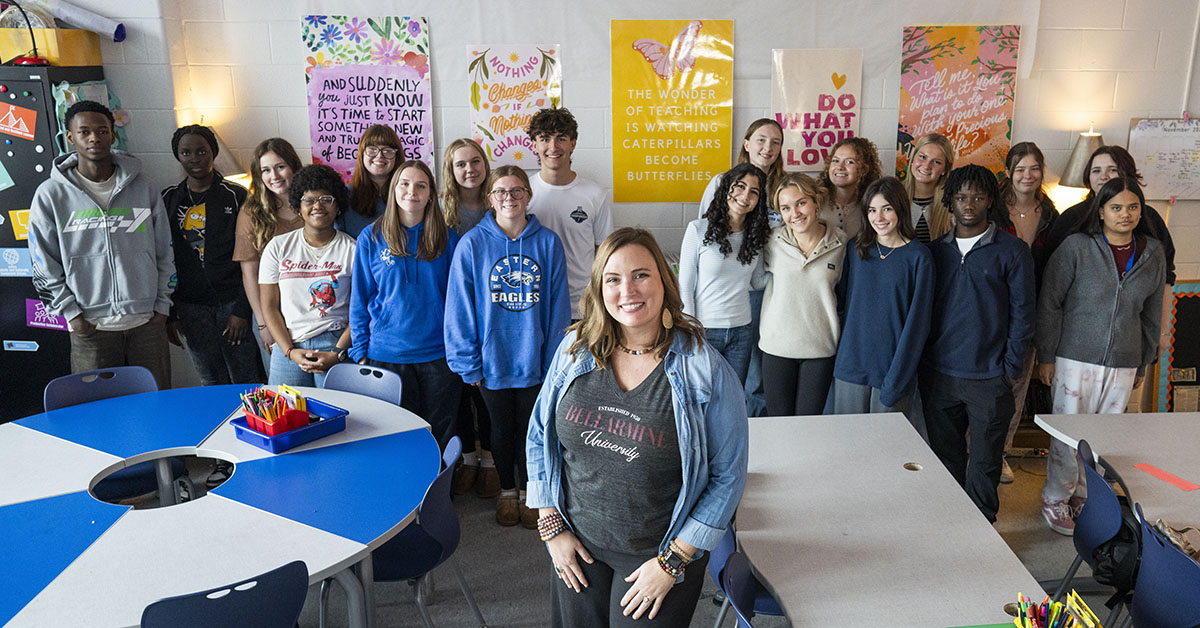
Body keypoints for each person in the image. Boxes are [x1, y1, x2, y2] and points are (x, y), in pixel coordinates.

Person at [526, 227, 748, 628]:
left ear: (665, 280)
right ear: (599, 289)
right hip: (578, 544)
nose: (628, 290)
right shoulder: (575, 348)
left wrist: (673, 562)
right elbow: (540, 435)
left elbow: (727, 475)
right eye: (613, 279)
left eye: (641, 275)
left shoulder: (704, 368)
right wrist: (551, 527)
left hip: (659, 554)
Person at [1035, 177, 1165, 535]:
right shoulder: (1077, 247)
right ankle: (1055, 496)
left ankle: (1085, 494)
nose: (1126, 215)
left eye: (1133, 207)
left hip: (1124, 361)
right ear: (1102, 212)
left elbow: (1152, 312)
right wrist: (1046, 354)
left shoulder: (1152, 253)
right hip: (1074, 358)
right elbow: (1050, 301)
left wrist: (1144, 360)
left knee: (1105, 435)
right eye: (1117, 208)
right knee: (1069, 431)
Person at [444, 165, 570, 527]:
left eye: (517, 191)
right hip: (492, 361)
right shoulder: (472, 244)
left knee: (534, 431)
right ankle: (507, 492)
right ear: (490, 198)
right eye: (501, 192)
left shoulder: (547, 243)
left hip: (535, 359)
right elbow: (459, 308)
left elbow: (558, 307)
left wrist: (553, 364)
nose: (509, 199)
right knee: (499, 430)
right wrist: (468, 361)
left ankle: (533, 493)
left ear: (528, 197)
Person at [29, 100, 174, 389]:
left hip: (146, 324)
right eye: (84, 132)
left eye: (102, 131)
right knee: (97, 413)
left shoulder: (143, 186)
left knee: (156, 406)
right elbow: (43, 262)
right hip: (90, 329)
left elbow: (164, 249)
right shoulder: (50, 194)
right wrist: (72, 315)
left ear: (113, 134)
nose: (94, 138)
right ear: (70, 137)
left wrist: (162, 305)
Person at [919, 164, 1035, 524]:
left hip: (990, 378)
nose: (969, 204)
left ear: (990, 201)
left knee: (984, 464)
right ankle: (951, 527)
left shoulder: (1013, 251)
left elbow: (1023, 314)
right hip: (940, 375)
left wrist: (1011, 369)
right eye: (962, 196)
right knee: (946, 458)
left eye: (978, 196)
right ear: (950, 201)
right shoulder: (936, 252)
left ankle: (982, 532)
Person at [349, 160, 460, 448]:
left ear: (431, 193)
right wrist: (361, 351)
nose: (412, 191)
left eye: (421, 185)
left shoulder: (449, 239)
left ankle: (436, 492)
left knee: (437, 437)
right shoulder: (371, 237)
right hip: (386, 354)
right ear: (393, 190)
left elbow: (460, 302)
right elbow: (360, 298)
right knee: (395, 438)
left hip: (438, 355)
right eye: (405, 184)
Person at [1043, 145, 1176, 358]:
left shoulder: (1149, 219)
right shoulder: (1070, 219)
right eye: (1096, 171)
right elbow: (1050, 289)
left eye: (1112, 170)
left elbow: (1165, 280)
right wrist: (1048, 346)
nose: (1103, 176)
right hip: (1074, 343)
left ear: (1127, 173)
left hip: (1128, 343)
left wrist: (1162, 331)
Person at [697, 118, 787, 418]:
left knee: (759, 369)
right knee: (727, 374)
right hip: (728, 294)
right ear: (747, 143)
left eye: (776, 142)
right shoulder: (722, 183)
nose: (768, 147)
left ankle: (753, 426)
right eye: (761, 139)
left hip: (767, 285)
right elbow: (705, 237)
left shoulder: (781, 187)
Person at [161, 124, 262, 386]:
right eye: (186, 153)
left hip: (232, 303)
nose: (194, 159)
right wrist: (171, 314)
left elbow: (251, 257)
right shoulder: (168, 200)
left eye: (201, 151)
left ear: (213, 153)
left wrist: (242, 310)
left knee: (246, 377)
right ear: (178, 156)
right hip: (191, 308)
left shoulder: (236, 195)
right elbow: (163, 259)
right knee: (210, 380)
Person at [827, 176, 933, 418]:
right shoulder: (856, 250)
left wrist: (898, 378)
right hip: (851, 366)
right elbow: (842, 306)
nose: (879, 217)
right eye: (872, 210)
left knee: (887, 449)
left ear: (900, 209)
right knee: (849, 446)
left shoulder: (919, 257)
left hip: (891, 369)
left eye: (887, 209)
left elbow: (918, 324)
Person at [993, 141, 1058, 484]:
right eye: (1020, 169)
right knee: (986, 384)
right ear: (1008, 173)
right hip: (991, 312)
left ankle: (1000, 452)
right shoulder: (993, 211)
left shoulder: (1051, 216)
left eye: (1034, 169)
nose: (1027, 176)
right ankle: (975, 451)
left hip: (1029, 314)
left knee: (1016, 387)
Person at [757, 173, 847, 416]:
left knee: (810, 427)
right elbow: (753, 279)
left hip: (820, 349)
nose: (794, 213)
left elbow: (846, 297)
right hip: (777, 348)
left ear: (816, 201)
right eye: (786, 208)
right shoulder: (771, 241)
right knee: (779, 426)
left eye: (801, 203)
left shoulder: (841, 243)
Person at [258, 164, 356, 387]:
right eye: (309, 200)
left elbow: (361, 308)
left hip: (336, 342)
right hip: (289, 344)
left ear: (338, 206)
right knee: (286, 417)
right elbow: (270, 307)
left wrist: (339, 352)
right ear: (297, 206)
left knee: (339, 417)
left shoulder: (353, 249)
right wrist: (289, 351)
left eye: (326, 199)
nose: (317, 206)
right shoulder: (278, 247)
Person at [441, 137, 499, 497]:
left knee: (486, 395)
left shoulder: (498, 206)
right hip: (452, 313)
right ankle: (467, 459)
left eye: (475, 162)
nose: (469, 170)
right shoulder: (441, 211)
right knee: (458, 394)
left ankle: (491, 461)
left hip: (493, 313)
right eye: (460, 164)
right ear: (451, 170)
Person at [678, 163, 770, 384]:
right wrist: (692, 330)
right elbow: (685, 286)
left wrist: (791, 271)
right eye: (740, 186)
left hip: (742, 331)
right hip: (705, 330)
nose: (745, 195)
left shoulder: (755, 236)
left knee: (733, 398)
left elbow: (758, 282)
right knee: (702, 396)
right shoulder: (698, 229)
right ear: (726, 188)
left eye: (754, 192)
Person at [525, 108, 613, 320]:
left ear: (573, 143)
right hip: (534, 305)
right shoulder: (522, 194)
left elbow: (605, 255)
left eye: (561, 138)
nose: (553, 147)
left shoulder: (595, 194)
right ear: (534, 145)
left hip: (581, 307)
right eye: (545, 139)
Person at [234, 138, 305, 375]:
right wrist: (263, 323)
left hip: (313, 310)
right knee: (282, 385)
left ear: (293, 165)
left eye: (280, 166)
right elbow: (249, 273)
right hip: (272, 312)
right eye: (266, 170)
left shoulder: (313, 202)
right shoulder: (251, 211)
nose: (274, 175)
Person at [337, 124, 405, 238]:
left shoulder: (407, 195)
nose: (379, 156)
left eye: (387, 150)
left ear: (396, 156)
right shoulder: (345, 196)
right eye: (372, 149)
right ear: (362, 153)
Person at [817, 137, 882, 239]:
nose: (840, 167)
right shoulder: (815, 199)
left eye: (849, 162)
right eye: (835, 160)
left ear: (864, 169)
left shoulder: (872, 203)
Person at [901, 133, 955, 242]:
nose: (926, 166)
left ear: (945, 169)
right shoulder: (893, 195)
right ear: (913, 158)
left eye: (936, 162)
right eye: (922, 157)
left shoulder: (952, 203)